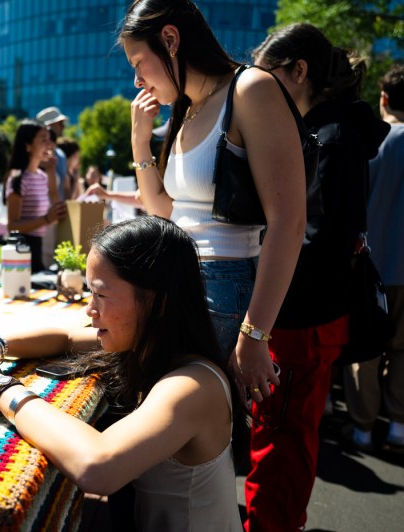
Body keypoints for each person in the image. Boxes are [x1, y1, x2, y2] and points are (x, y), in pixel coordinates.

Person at [0, 216, 247, 531]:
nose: (89, 310)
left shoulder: (193, 386)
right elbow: (65, 338)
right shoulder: (151, 343)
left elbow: (97, 466)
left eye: (101, 295)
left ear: (157, 301)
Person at [120, 0, 306, 402]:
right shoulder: (187, 109)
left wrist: (255, 333)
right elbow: (163, 212)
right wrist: (139, 140)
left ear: (170, 40)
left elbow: (289, 221)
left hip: (223, 288)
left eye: (138, 62)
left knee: (188, 435)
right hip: (179, 282)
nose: (136, 80)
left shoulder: (250, 89)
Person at [247, 24, 390, 530]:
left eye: (267, 79)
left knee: (281, 437)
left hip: (302, 319)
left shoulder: (329, 138)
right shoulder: (334, 132)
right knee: (287, 434)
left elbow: (316, 239)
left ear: (298, 72)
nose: (258, 93)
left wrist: (260, 303)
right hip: (313, 316)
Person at [343, 63, 404, 454]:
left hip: (371, 267)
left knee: (364, 348)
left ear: (383, 98)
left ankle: (363, 427)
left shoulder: (374, 140)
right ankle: (399, 425)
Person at [2, 119, 66, 272]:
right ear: (28, 146)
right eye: (43, 140)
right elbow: (12, 225)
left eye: (49, 140)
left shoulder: (42, 177)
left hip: (38, 248)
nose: (49, 145)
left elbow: (55, 207)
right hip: (20, 253)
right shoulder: (17, 179)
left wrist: (51, 171)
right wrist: (46, 219)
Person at [36, 106, 68, 200]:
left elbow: (64, 187)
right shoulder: (35, 156)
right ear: (48, 126)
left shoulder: (61, 155)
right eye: (60, 123)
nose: (63, 127)